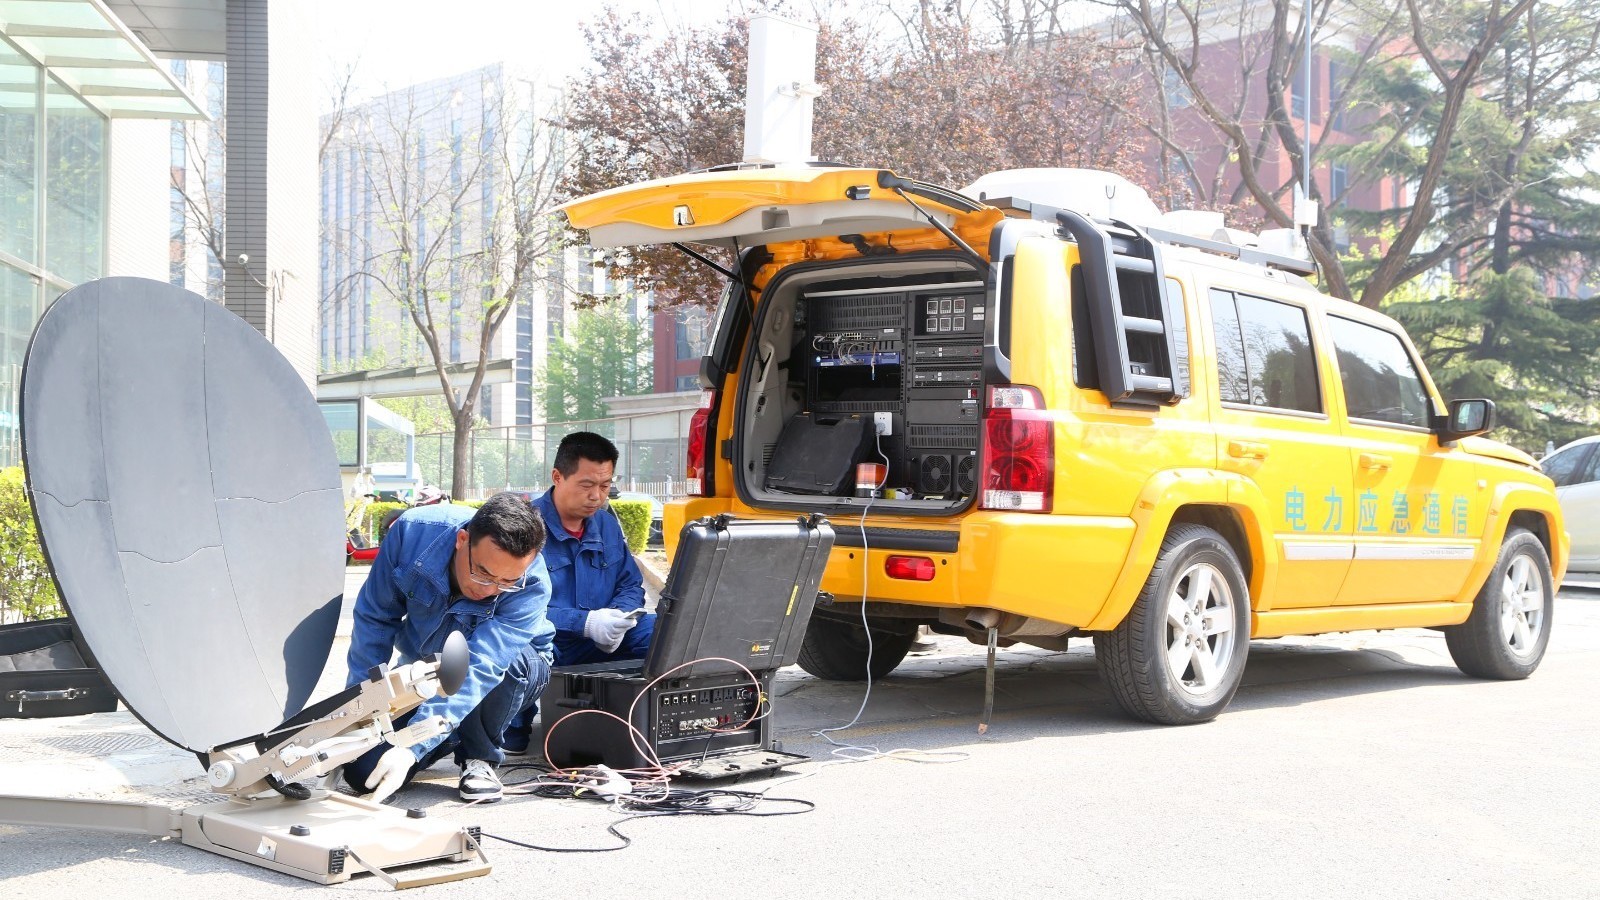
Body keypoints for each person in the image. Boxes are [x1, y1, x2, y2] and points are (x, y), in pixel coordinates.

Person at [341, 492, 553, 804]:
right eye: (482, 572)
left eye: (506, 582)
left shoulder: (532, 584)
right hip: (428, 670)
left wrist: (412, 746)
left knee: (511, 664)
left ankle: (479, 756)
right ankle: (450, 730)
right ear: (462, 540)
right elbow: (375, 619)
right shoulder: (412, 535)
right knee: (363, 773)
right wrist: (357, 715)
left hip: (511, 669)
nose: (490, 590)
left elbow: (482, 665)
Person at [536, 432, 654, 666]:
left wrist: (617, 618)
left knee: (668, 633)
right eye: (587, 485)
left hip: (605, 639)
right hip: (548, 642)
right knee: (522, 657)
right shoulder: (524, 527)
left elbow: (630, 584)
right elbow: (510, 608)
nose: (596, 496)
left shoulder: (606, 525)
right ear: (557, 477)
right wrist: (586, 623)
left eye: (605, 486)